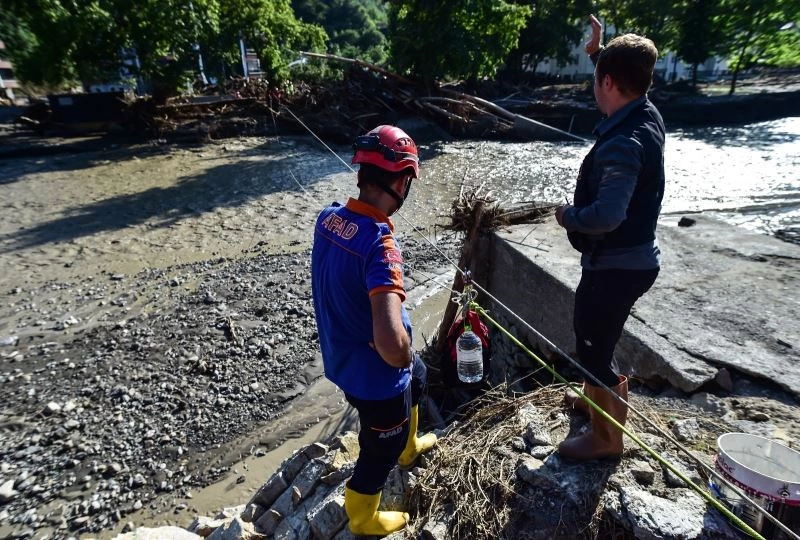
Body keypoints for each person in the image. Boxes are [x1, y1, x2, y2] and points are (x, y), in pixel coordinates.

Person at [311, 125, 437, 536]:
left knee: (418, 377)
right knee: (379, 446)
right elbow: (389, 341)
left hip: (343, 356)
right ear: (401, 181)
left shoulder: (328, 219)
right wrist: (400, 352)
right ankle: (364, 516)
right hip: (375, 375)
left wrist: (406, 361)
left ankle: (408, 447)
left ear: (362, 173)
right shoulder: (382, 247)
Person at [555, 16, 665, 461]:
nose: (594, 88)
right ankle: (596, 401)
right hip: (633, 260)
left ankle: (606, 439)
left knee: (593, 344)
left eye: (598, 79)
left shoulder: (623, 142)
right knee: (596, 337)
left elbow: (608, 215)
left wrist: (569, 217)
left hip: (618, 263)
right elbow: (622, 78)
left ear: (609, 83)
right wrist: (598, 54)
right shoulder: (647, 112)